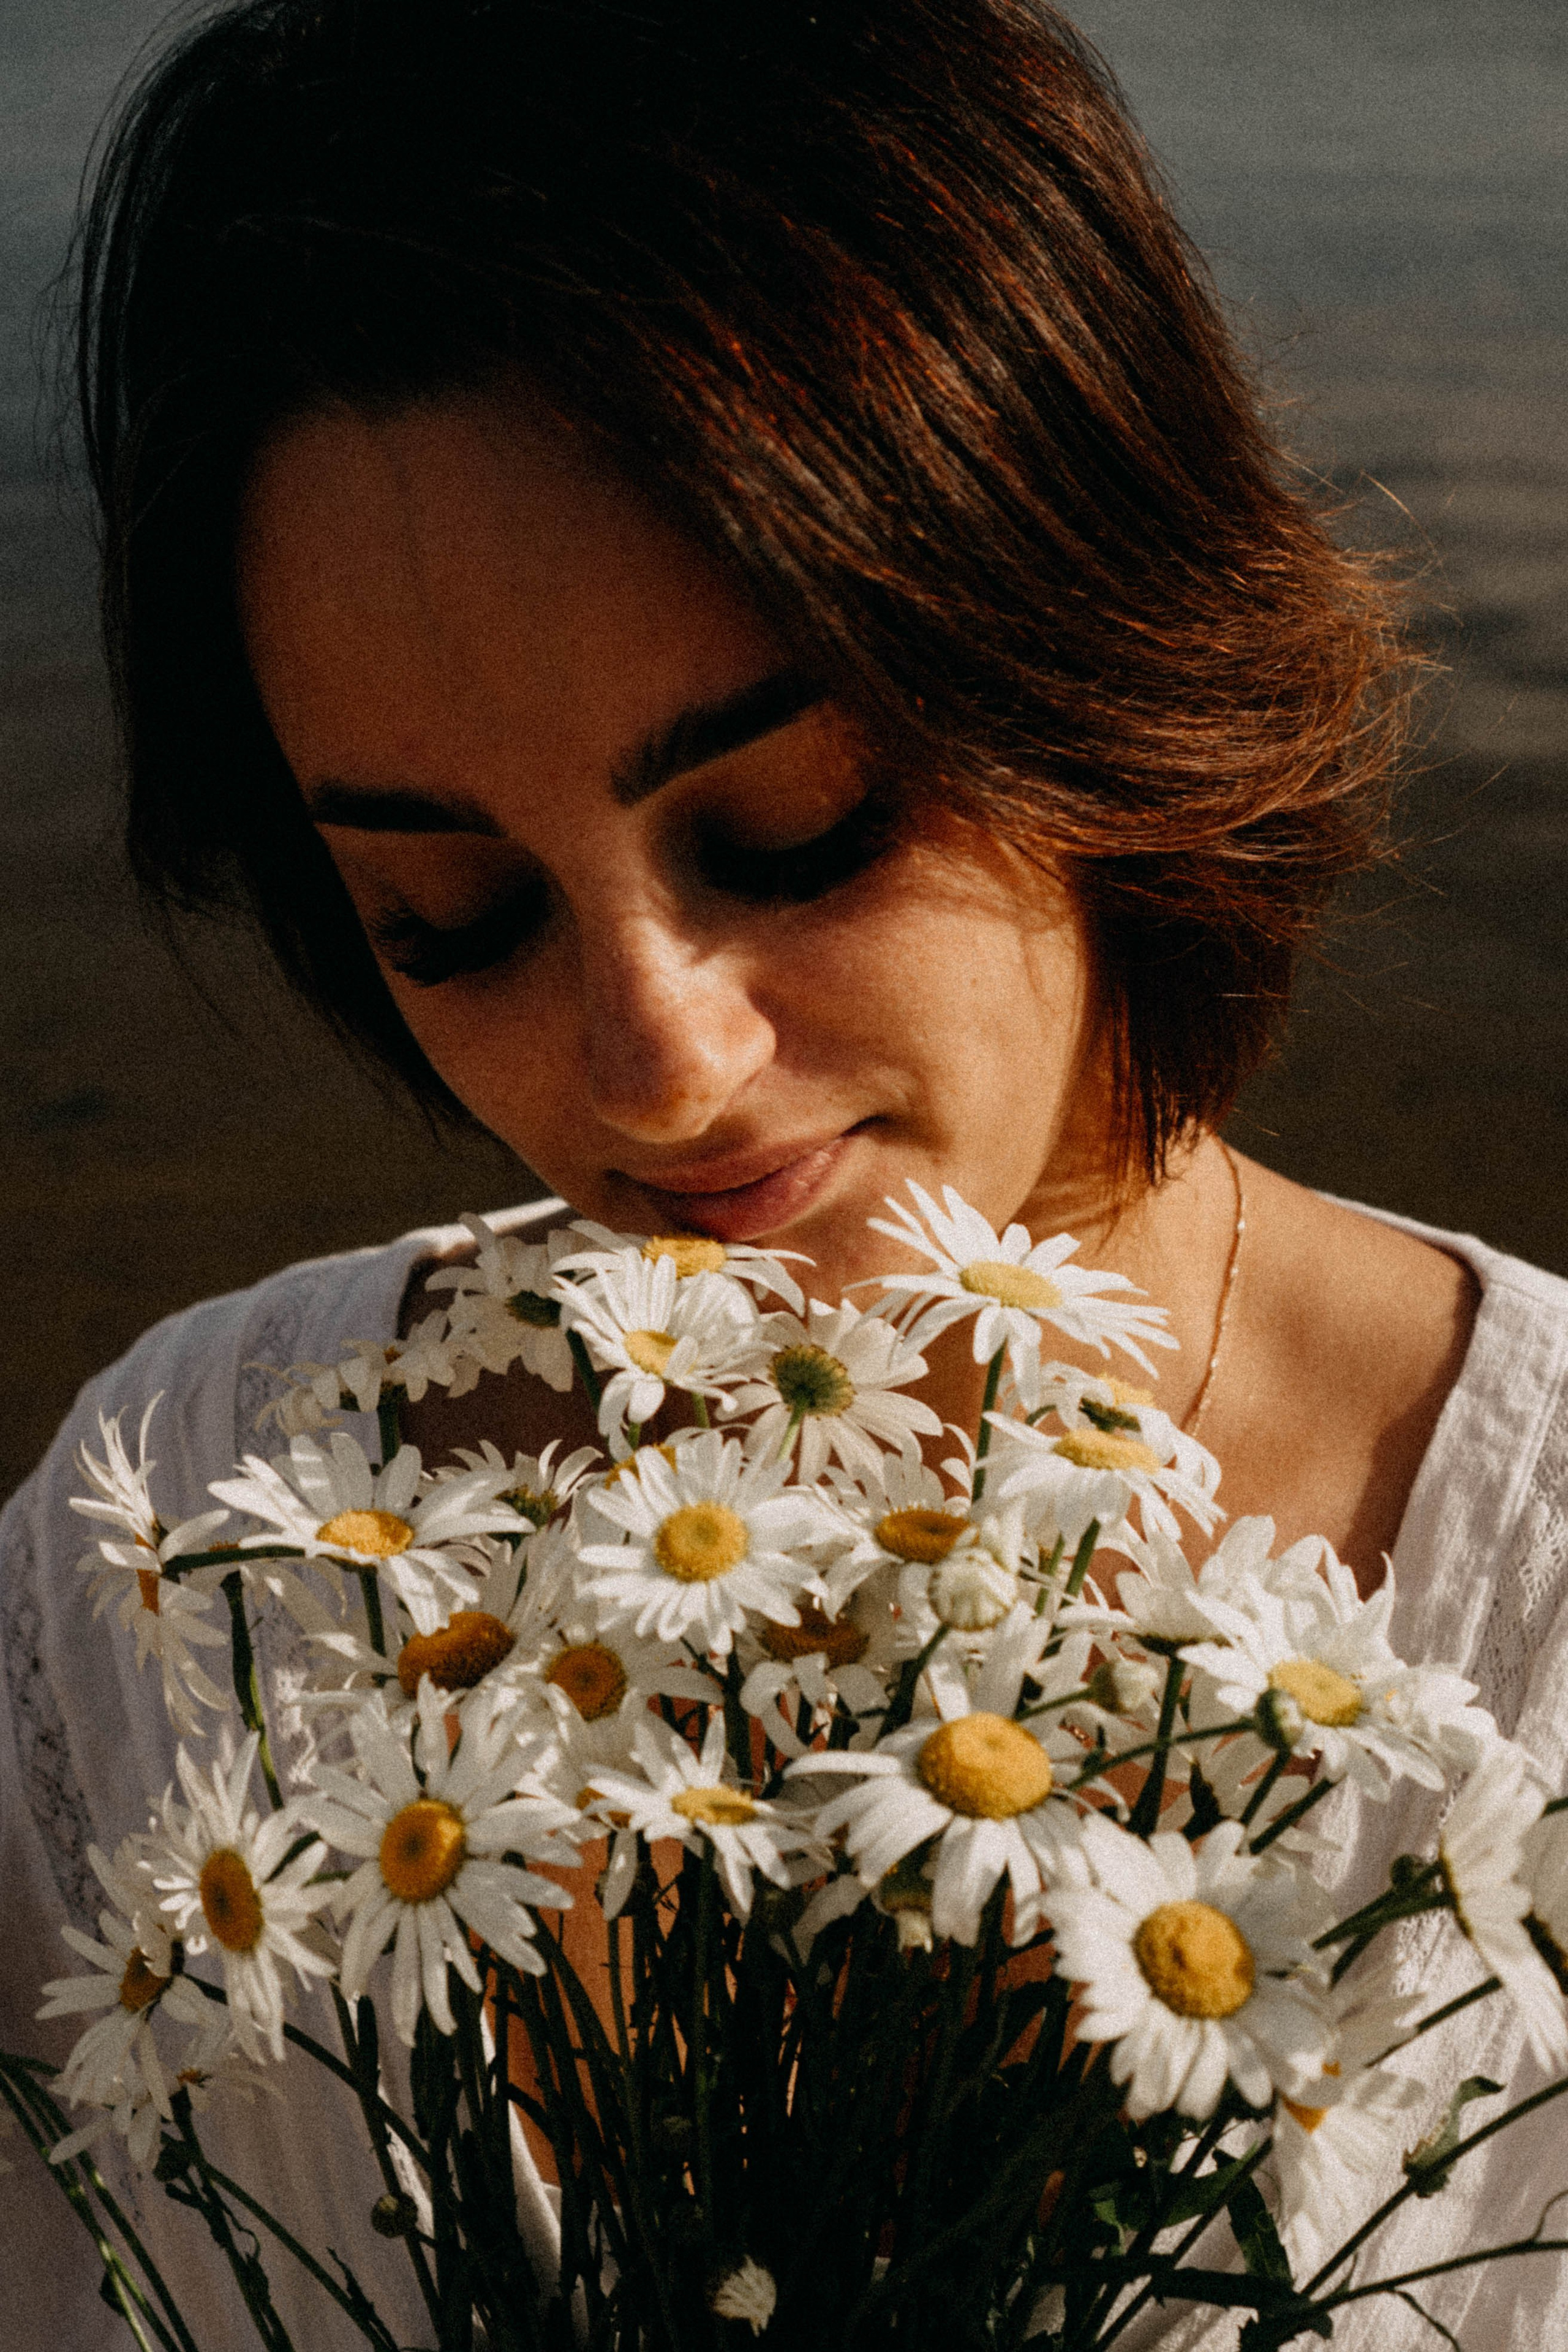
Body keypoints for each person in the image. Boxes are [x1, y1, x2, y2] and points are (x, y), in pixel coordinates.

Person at [2, 2, 1564, 2343]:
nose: (659, 1071)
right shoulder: (175, 1577)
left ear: (1101, 661)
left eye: (800, 828)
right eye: (452, 914)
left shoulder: (1531, 1604)